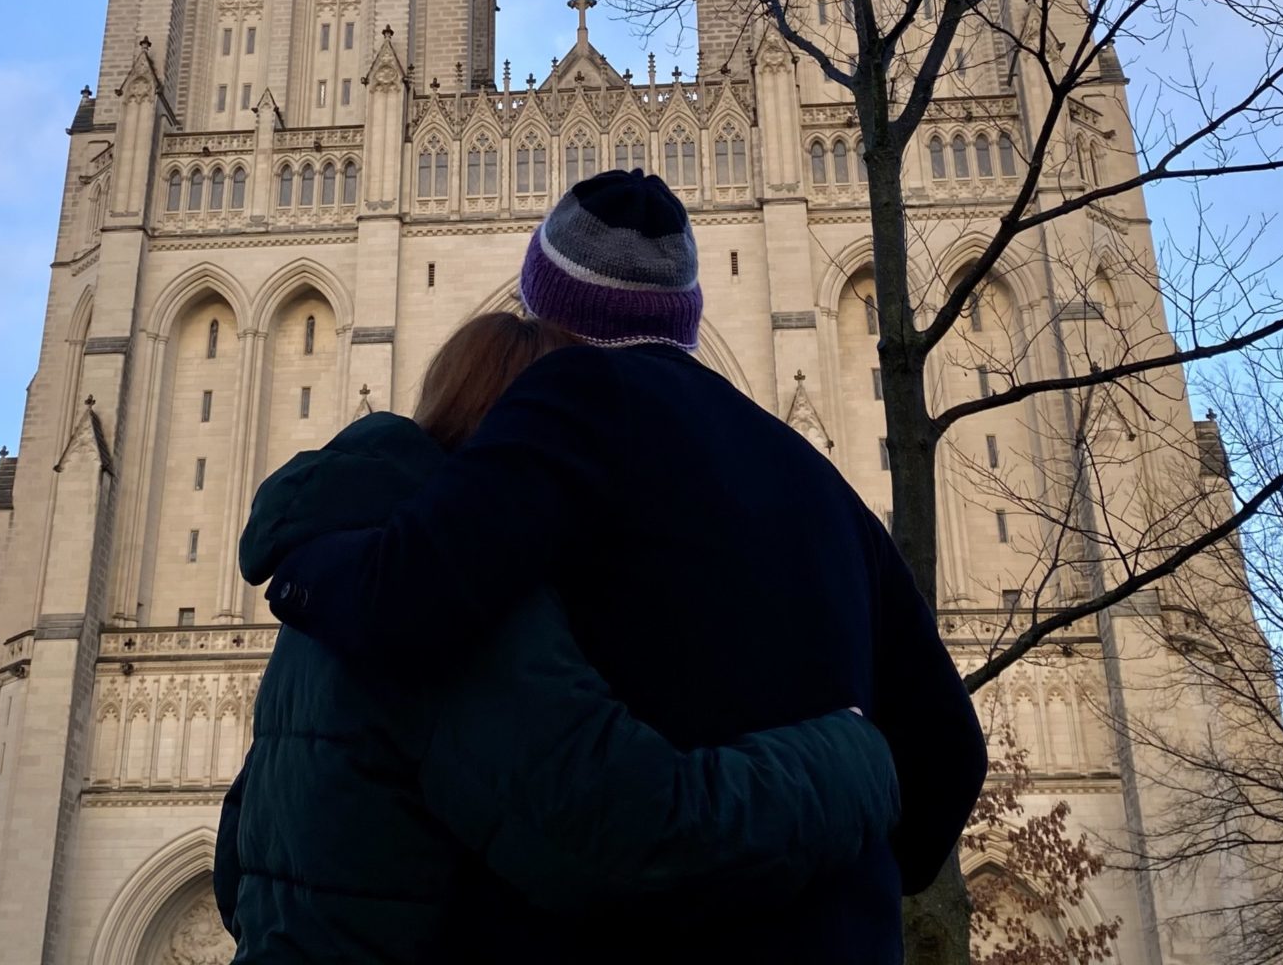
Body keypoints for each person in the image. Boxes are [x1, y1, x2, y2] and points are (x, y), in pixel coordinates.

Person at [266, 169, 988, 963]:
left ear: (547, 309)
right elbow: (951, 756)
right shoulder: (818, 478)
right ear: (686, 316)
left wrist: (297, 548)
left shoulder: (574, 397)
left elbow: (404, 597)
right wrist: (848, 878)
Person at [215, 310, 903, 964]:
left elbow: (237, 864)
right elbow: (626, 833)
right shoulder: (456, 602)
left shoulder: (330, 582)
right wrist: (853, 756)